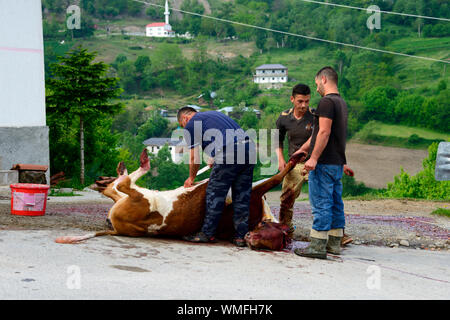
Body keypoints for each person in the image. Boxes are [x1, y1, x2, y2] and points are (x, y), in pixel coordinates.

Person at [293, 66, 352, 259]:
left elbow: (324, 133)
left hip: (324, 163)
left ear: (324, 80)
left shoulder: (326, 102)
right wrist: (303, 149)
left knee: (321, 204)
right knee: (336, 203)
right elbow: (323, 133)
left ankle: (317, 247)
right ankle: (334, 245)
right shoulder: (341, 103)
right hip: (336, 163)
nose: (316, 87)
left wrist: (314, 158)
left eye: (317, 83)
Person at [177, 106, 256, 247]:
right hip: (249, 149)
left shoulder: (190, 124)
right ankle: (240, 236)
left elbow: (194, 157)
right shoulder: (213, 114)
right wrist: (215, 157)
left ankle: (207, 233)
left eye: (182, 125)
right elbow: (227, 136)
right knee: (242, 195)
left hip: (230, 152)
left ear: (185, 118)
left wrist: (191, 178)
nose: (184, 128)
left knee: (215, 193)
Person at [275, 84, 314, 237]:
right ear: (292, 99)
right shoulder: (284, 117)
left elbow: (319, 137)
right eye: (300, 101)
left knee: (324, 198)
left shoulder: (315, 115)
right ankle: (285, 229)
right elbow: (277, 140)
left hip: (314, 163)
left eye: (307, 101)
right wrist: (280, 159)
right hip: (294, 164)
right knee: (286, 199)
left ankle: (333, 232)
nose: (304, 105)